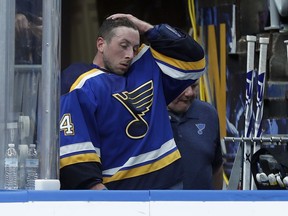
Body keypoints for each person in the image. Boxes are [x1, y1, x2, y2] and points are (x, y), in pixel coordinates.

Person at [59, 14, 206, 190]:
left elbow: (195, 59)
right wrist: (95, 189)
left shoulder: (147, 65)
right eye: (123, 46)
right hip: (120, 193)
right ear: (101, 44)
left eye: (135, 48)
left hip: (169, 187)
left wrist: (147, 29)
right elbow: (75, 144)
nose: (129, 54)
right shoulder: (81, 82)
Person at [168, 82, 224, 189]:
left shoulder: (208, 113)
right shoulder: (143, 117)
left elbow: (216, 167)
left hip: (203, 204)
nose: (189, 93)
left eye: (194, 86)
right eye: (182, 86)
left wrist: (216, 204)